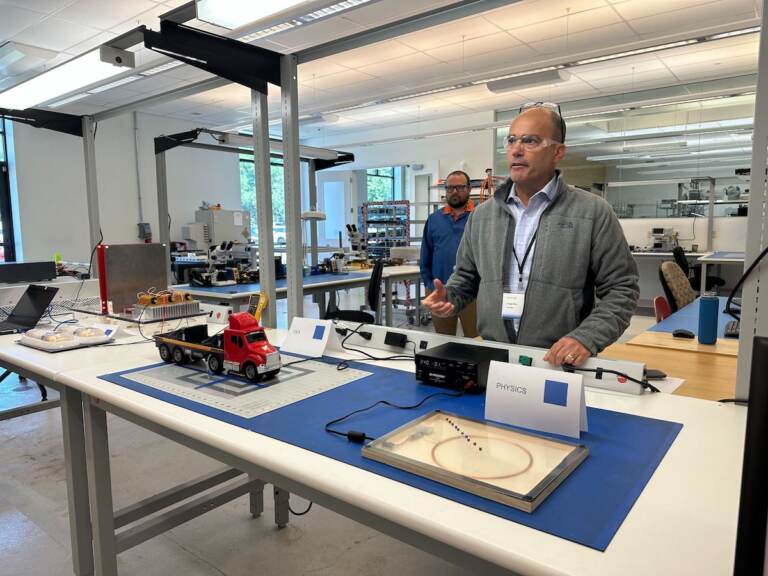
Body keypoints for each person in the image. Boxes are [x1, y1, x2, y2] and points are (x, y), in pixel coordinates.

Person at [422, 103, 639, 366]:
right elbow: (466, 278)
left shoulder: (592, 212)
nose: (516, 149)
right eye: (512, 140)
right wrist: (451, 297)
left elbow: (621, 289)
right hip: (494, 356)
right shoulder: (482, 216)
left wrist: (586, 337)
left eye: (531, 140)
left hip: (558, 360)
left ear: (557, 152)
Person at [420, 170, 479, 337]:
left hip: (472, 294)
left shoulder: (480, 217)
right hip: (440, 291)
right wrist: (429, 285)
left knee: (476, 342)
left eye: (460, 187)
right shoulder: (434, 219)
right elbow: (426, 256)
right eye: (450, 188)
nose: (454, 192)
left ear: (468, 189)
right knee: (443, 342)